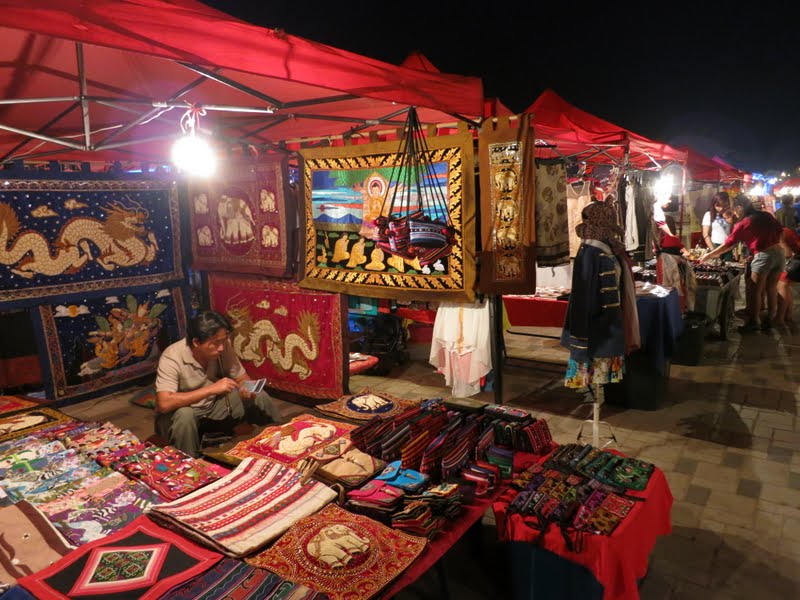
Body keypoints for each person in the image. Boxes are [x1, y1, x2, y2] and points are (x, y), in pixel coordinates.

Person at [155, 310, 284, 457]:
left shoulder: (223, 346)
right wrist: (211, 389)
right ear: (196, 342)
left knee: (259, 394)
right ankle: (191, 465)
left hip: (214, 408)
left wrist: (247, 388)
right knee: (185, 415)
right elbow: (164, 403)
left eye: (223, 340)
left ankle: (284, 439)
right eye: (215, 343)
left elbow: (243, 378)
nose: (221, 347)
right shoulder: (172, 357)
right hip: (182, 416)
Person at [700, 195, 784, 332]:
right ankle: (770, 320)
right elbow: (780, 232)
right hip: (778, 254)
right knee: (772, 288)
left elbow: (728, 244)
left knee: (756, 290)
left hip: (763, 256)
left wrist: (708, 255)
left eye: (735, 209)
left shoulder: (744, 222)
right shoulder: (766, 216)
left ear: (740, 208)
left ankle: (754, 322)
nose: (734, 213)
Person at [776, 227, 800, 327]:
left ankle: (780, 318)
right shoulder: (784, 229)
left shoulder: (778, 232)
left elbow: (787, 253)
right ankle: (788, 316)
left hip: (796, 261)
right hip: (796, 259)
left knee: (781, 285)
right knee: (785, 285)